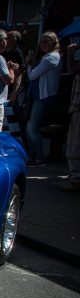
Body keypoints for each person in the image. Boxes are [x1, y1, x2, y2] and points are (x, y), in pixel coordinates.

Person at [24, 31, 62, 167]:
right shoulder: (47, 57)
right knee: (29, 127)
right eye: (41, 42)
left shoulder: (51, 58)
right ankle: (32, 156)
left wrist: (29, 65)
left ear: (52, 43)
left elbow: (33, 76)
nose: (42, 45)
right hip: (37, 95)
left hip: (43, 97)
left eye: (46, 41)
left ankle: (39, 158)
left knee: (32, 127)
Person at [64, 43, 80, 190]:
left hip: (78, 106)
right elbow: (72, 70)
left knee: (75, 143)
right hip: (76, 106)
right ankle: (75, 176)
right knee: (73, 142)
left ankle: (76, 177)